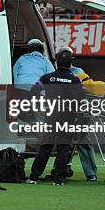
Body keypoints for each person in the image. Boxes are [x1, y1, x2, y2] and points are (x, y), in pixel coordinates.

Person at [27, 47, 85, 185]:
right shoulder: (75, 80)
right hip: (68, 118)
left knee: (45, 147)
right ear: (71, 63)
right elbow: (82, 98)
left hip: (51, 116)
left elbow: (34, 91)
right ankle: (58, 179)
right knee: (63, 148)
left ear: (56, 62)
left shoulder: (47, 77)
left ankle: (34, 177)